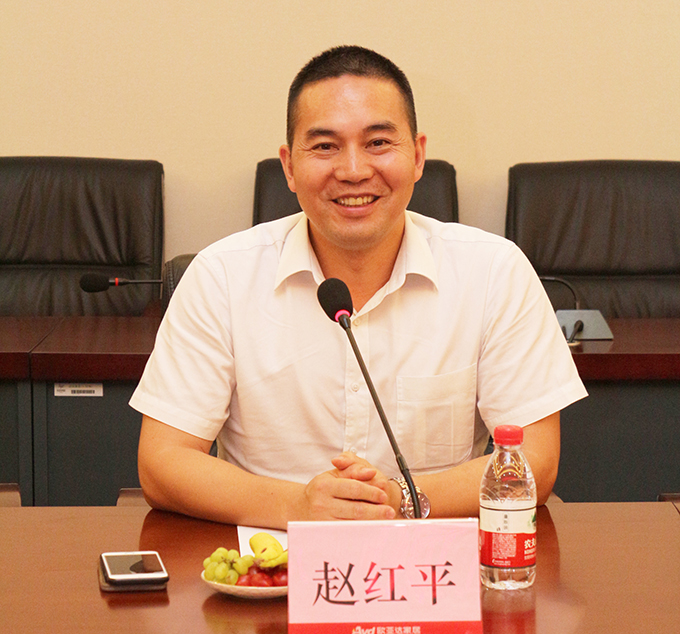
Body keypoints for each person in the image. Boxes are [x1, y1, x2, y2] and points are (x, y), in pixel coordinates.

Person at [130, 45, 587, 529]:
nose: (353, 170)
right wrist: (297, 507)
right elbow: (162, 463)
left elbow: (534, 461)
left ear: (418, 156)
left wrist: (399, 499)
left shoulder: (494, 272)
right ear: (289, 166)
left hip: (432, 566)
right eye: (325, 146)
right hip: (271, 564)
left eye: (378, 143)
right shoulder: (221, 276)